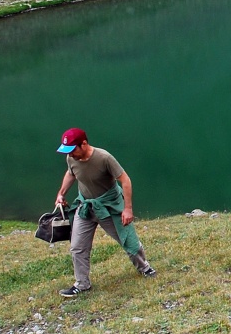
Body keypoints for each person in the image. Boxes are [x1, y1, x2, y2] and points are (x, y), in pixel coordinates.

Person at [53, 127, 156, 297]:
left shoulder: (104, 158)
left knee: (127, 239)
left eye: (73, 150)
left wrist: (127, 209)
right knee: (77, 247)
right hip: (86, 206)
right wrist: (61, 193)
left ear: (84, 144)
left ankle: (145, 268)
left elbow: (125, 180)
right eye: (67, 151)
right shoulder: (71, 158)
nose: (70, 154)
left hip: (109, 206)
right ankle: (82, 284)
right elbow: (71, 173)